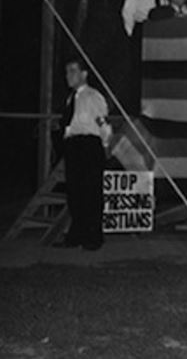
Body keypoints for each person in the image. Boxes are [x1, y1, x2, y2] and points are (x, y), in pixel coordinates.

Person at [55, 58, 112, 251]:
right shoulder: (71, 98)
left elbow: (103, 123)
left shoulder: (93, 97)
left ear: (84, 74)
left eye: (72, 71)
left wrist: (104, 145)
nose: (68, 76)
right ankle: (76, 235)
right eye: (66, 72)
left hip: (89, 145)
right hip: (74, 145)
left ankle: (94, 237)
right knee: (75, 192)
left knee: (91, 192)